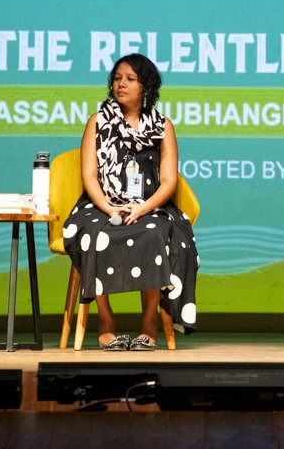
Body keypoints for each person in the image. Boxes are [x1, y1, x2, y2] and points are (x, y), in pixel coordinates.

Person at [62, 54, 197, 350]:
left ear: (145, 87)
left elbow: (169, 181)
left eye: (130, 79)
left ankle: (148, 322)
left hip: (149, 205)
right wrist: (109, 208)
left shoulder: (162, 126)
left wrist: (143, 208)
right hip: (100, 204)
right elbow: (89, 175)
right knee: (95, 233)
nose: (120, 84)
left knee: (154, 232)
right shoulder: (97, 122)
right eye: (117, 77)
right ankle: (106, 321)